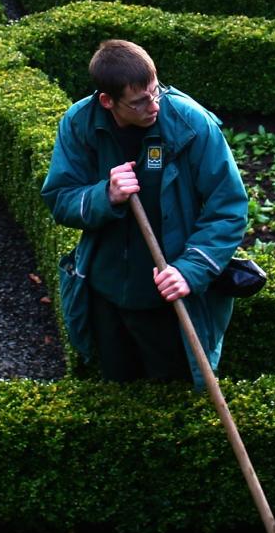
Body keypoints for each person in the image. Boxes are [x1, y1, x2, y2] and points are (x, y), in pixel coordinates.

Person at [40, 37, 249, 385]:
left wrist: (190, 270)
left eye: (155, 92)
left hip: (168, 302)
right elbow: (60, 199)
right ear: (107, 101)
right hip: (105, 297)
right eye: (139, 101)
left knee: (173, 396)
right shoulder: (79, 123)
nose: (153, 105)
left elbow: (228, 208)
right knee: (116, 390)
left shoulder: (192, 125)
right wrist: (104, 195)